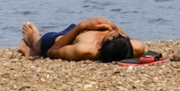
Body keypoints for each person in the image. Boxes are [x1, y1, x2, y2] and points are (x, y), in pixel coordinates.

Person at [18, 17, 147, 62]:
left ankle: (33, 46)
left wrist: (82, 26)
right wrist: (113, 26)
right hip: (85, 30)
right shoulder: (134, 47)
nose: (116, 32)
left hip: (68, 36)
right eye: (120, 34)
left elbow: (52, 51)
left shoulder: (85, 50)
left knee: (43, 43)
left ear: (100, 46)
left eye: (113, 34)